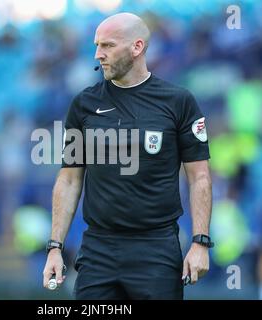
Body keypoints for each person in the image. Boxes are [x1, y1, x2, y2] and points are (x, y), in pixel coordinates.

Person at [43, 12, 213, 299]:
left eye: (107, 46)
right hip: (98, 248)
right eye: (97, 46)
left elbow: (199, 177)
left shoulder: (178, 102)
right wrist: (55, 247)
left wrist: (200, 243)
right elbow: (70, 179)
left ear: (137, 47)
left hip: (156, 248)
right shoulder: (83, 104)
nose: (98, 54)